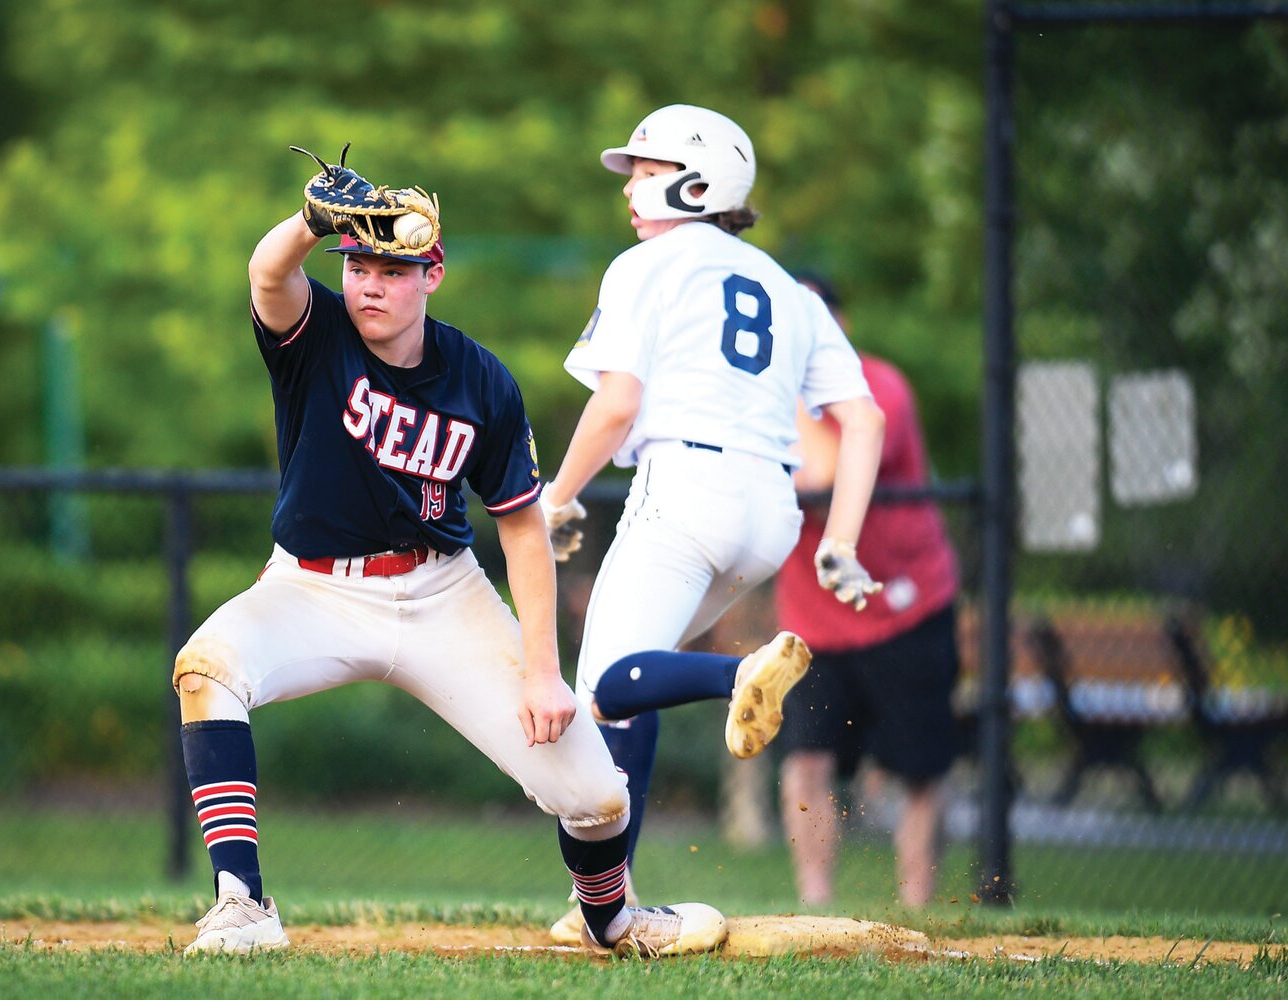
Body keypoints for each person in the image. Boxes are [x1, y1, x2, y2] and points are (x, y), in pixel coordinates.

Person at [170, 146, 727, 957]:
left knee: (598, 792)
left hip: (443, 596)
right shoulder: (318, 333)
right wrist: (307, 222)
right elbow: (266, 277)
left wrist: (543, 668)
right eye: (357, 262)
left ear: (432, 274)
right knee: (207, 667)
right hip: (314, 589)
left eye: (392, 269)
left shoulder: (482, 380)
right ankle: (243, 904)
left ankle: (611, 918)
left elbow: (523, 526)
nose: (368, 282)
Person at [538, 105, 887, 939]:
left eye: (649, 171)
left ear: (699, 182)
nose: (633, 186)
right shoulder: (788, 288)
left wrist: (559, 494)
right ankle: (605, 903)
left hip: (685, 487)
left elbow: (617, 402)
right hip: (772, 514)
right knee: (629, 693)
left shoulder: (647, 265)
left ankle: (737, 678)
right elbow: (863, 419)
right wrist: (839, 540)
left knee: (601, 685)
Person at [775, 271, 962, 908]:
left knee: (918, 771)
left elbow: (825, 471)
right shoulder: (764, 395)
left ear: (839, 327)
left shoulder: (878, 389)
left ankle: (917, 911)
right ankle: (814, 905)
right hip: (814, 621)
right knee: (807, 762)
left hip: (904, 609)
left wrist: (789, 391)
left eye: (811, 323)